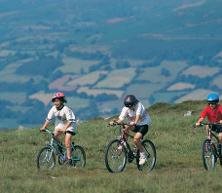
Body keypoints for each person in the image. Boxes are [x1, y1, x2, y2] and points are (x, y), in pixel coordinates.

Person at [110, 95, 152, 165]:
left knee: (136, 139)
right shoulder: (126, 108)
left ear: (134, 103)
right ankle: (122, 144)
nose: (130, 107)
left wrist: (134, 122)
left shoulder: (139, 105)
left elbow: (138, 117)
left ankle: (143, 155)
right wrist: (115, 122)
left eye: (131, 106)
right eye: (128, 106)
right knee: (124, 128)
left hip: (144, 125)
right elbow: (121, 119)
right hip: (134, 124)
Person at [40, 92, 77, 165]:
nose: (56, 103)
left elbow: (70, 120)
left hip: (70, 125)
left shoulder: (66, 109)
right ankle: (61, 151)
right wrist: (44, 127)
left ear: (62, 101)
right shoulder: (53, 109)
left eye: (57, 101)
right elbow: (48, 119)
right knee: (54, 136)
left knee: (67, 140)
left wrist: (65, 129)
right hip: (60, 125)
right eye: (54, 101)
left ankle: (69, 159)